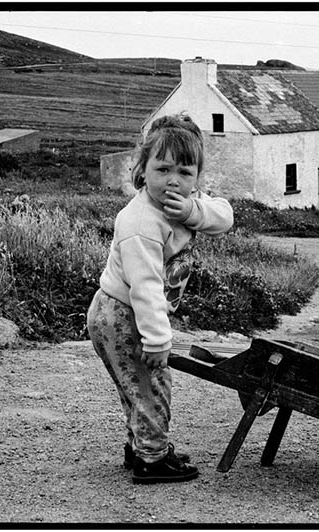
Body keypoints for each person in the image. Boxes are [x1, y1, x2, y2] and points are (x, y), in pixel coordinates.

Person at [87, 113, 233, 484]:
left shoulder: (185, 202)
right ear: (142, 170)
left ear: (197, 177)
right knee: (152, 384)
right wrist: (157, 339)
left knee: (137, 384)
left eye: (185, 172)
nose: (174, 180)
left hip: (129, 311)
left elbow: (224, 216)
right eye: (163, 169)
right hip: (123, 313)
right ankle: (151, 459)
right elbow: (146, 287)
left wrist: (192, 211)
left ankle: (142, 446)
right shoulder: (141, 223)